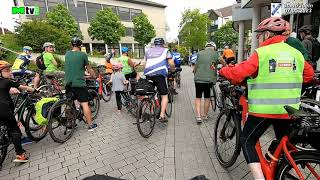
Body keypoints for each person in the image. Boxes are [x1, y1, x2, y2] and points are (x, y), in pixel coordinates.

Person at [219, 17, 314, 180]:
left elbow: (238, 73)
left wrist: (223, 72)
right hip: (289, 110)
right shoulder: (296, 54)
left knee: (247, 141)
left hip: (264, 110)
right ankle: (278, 169)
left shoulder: (262, 53)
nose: (258, 38)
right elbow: (309, 75)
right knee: (281, 142)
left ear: (267, 34)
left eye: (259, 34)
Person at [0, 60, 36, 163]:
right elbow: (22, 87)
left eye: (10, 70)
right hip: (4, 110)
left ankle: (4, 140)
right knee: (15, 130)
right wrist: (33, 90)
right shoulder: (7, 81)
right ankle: (20, 155)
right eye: (6, 70)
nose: (10, 72)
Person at [64, 37, 97, 131]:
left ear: (72, 45)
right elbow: (89, 68)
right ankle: (90, 126)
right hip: (79, 83)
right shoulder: (83, 55)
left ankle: (70, 125)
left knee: (69, 103)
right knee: (84, 104)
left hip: (68, 83)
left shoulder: (67, 54)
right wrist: (94, 76)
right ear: (80, 45)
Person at [144, 38, 175, 122]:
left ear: (154, 44)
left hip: (148, 74)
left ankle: (150, 109)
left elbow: (145, 63)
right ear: (162, 44)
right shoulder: (166, 51)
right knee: (164, 95)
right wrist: (173, 70)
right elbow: (171, 63)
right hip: (159, 75)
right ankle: (162, 115)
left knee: (150, 93)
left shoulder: (148, 51)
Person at [193, 42, 221, 123]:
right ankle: (205, 115)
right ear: (214, 47)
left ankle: (198, 116)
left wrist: (195, 73)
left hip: (198, 79)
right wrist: (225, 66)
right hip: (209, 80)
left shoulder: (199, 53)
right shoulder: (216, 53)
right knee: (207, 97)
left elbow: (196, 66)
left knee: (198, 97)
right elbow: (222, 61)